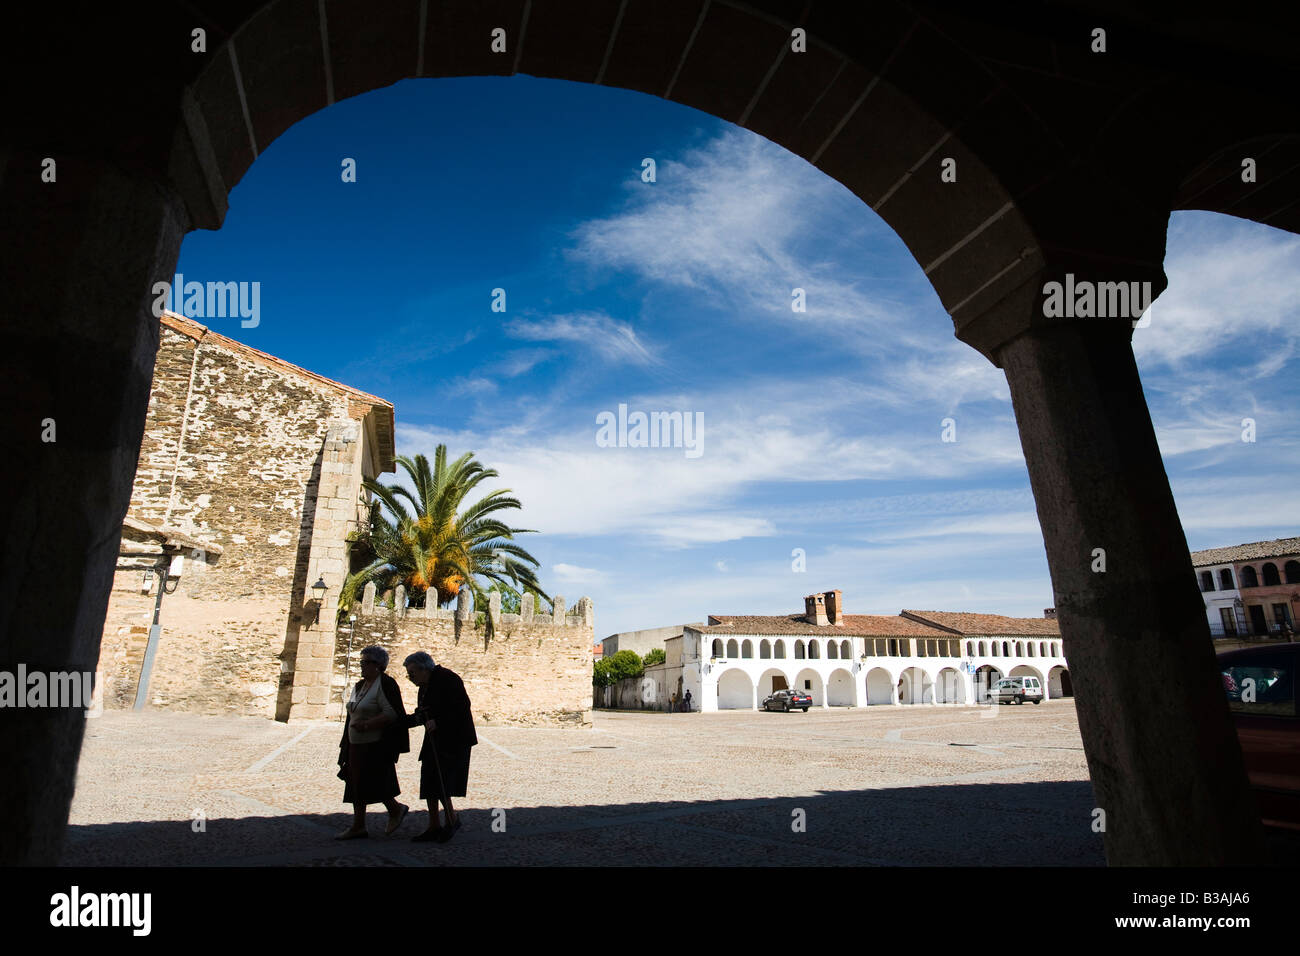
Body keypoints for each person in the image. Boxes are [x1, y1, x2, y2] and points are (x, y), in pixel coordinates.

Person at [336, 646, 410, 840]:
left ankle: (395, 810)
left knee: (374, 781)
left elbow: (392, 713)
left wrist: (368, 724)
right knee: (355, 782)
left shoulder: (385, 684)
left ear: (378, 665)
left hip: (375, 743)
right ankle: (359, 825)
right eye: (361, 661)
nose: (361, 665)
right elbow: (352, 710)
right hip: (355, 742)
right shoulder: (360, 686)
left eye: (365, 662)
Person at [402, 651, 477, 843]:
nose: (410, 678)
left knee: (443, 782)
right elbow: (423, 713)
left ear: (423, 668)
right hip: (435, 738)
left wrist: (438, 721)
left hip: (454, 738)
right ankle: (434, 825)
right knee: (429, 779)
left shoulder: (448, 679)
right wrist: (400, 723)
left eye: (412, 673)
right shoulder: (424, 686)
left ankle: (451, 819)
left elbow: (460, 707)